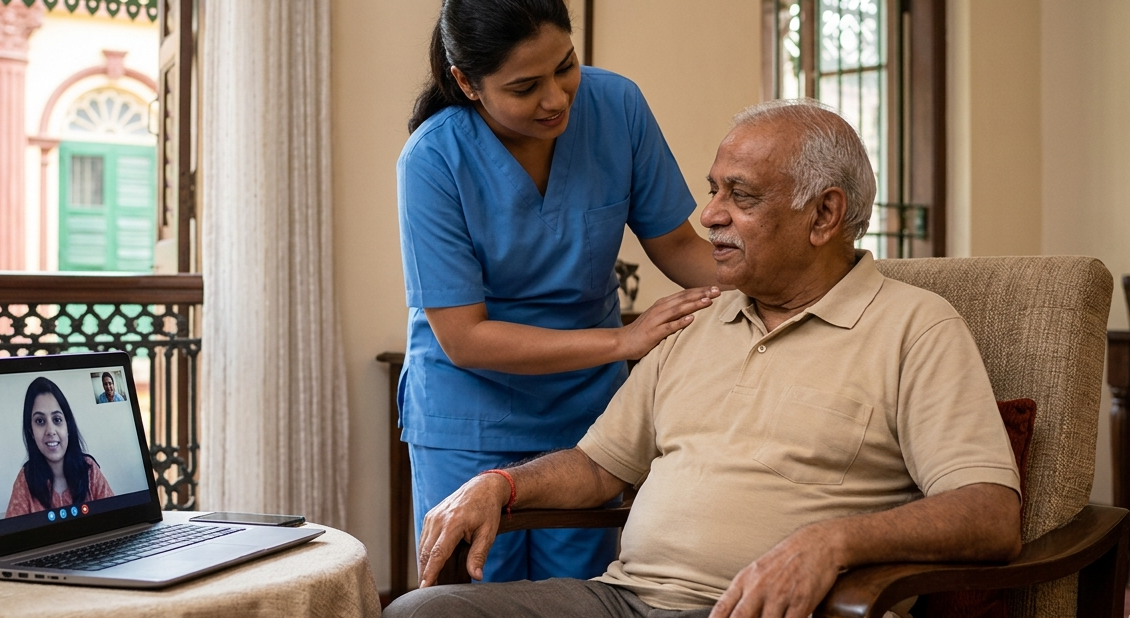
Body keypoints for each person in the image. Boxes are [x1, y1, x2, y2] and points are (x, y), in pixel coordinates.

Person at [387, 100, 1023, 618]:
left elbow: (990, 512)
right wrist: (501, 484)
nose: (709, 215)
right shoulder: (697, 317)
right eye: (714, 189)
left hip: (756, 608)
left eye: (740, 196)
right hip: (621, 599)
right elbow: (600, 466)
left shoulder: (916, 327)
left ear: (825, 214)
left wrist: (833, 543)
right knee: (424, 613)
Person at [397, 0, 720, 583]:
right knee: (476, 597)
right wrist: (623, 341)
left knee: (573, 594)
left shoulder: (618, 106)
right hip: (470, 413)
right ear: (468, 83)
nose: (555, 99)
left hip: (584, 416)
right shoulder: (433, 160)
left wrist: (787, 270)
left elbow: (678, 245)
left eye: (565, 67)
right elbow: (464, 337)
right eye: (524, 87)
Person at [6, 377, 114, 518]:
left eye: (57, 420)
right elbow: (15, 536)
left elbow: (115, 519)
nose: (50, 431)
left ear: (68, 426)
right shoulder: (25, 479)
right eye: (40, 421)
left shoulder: (89, 469)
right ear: (31, 431)